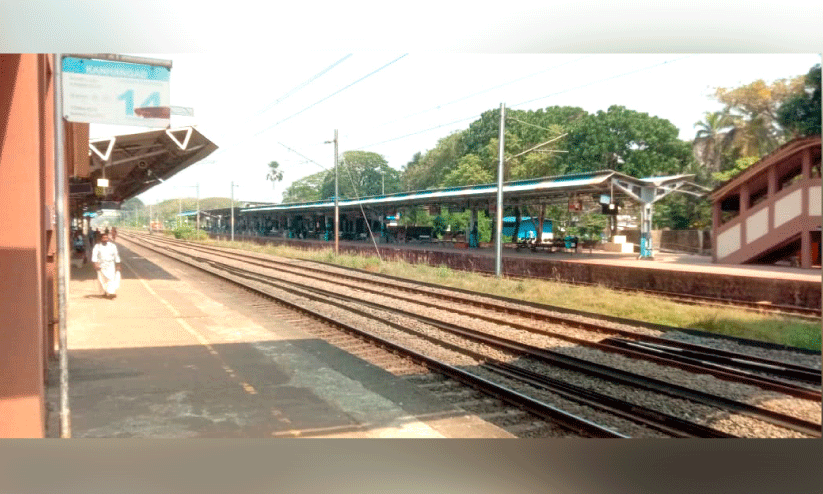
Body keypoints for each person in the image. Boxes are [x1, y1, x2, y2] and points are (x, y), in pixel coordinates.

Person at [91, 232, 121, 299]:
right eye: (103, 238)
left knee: (111, 278)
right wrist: (95, 264)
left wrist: (118, 264)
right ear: (101, 239)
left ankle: (111, 292)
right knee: (102, 279)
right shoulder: (97, 246)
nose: (105, 239)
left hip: (110, 265)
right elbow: (94, 255)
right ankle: (104, 292)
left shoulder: (112, 246)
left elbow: (116, 255)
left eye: (106, 237)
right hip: (101, 265)